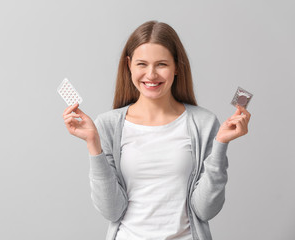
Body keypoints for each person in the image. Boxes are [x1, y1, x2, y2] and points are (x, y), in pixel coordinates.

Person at [62, 20, 251, 240]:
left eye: (161, 64)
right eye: (142, 64)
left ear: (177, 67)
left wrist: (220, 144)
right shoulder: (107, 124)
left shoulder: (204, 122)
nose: (151, 75)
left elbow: (206, 210)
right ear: (129, 65)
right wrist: (93, 144)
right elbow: (111, 211)